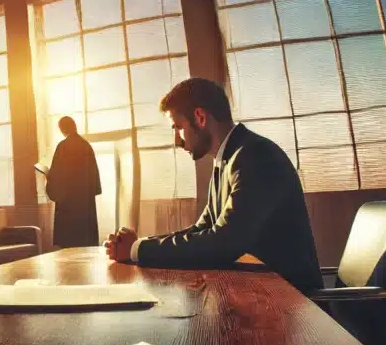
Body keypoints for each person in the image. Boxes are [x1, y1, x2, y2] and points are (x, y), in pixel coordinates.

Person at [105, 77, 322, 294]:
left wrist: (136, 249)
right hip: (260, 292)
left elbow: (223, 242)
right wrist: (139, 245)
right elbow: (202, 230)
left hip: (292, 301)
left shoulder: (255, 156)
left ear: (200, 117)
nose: (177, 141)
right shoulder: (227, 159)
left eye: (178, 127)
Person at [46, 116, 101, 248]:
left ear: (63, 129)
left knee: (69, 241)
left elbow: (57, 173)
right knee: (85, 239)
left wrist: (49, 176)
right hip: (84, 200)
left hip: (68, 201)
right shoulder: (86, 145)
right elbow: (93, 174)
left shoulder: (63, 146)